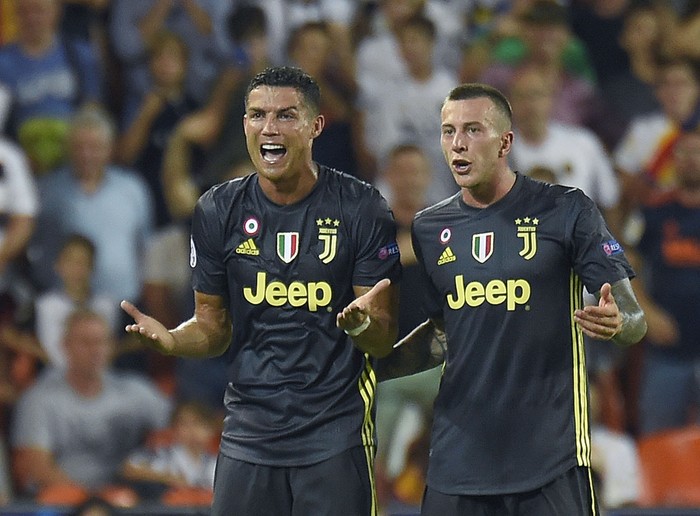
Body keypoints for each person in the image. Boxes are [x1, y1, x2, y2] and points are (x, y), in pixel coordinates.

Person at [120, 66, 401, 516]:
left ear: (315, 126)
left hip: (334, 435)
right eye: (257, 115)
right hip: (248, 435)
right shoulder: (217, 209)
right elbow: (213, 326)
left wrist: (363, 324)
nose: (269, 127)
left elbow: (384, 337)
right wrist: (174, 340)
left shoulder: (361, 206)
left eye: (286, 116)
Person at [378, 83, 647, 516]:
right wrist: (367, 365)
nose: (458, 143)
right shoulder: (430, 228)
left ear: (505, 142)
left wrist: (619, 323)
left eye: (472, 129)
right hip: (456, 463)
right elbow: (443, 335)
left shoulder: (567, 210)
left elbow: (633, 317)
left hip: (549, 460)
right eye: (448, 131)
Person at [11, 308, 171, 498]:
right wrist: (94, 501)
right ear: (65, 346)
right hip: (66, 504)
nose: (95, 350)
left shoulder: (136, 392)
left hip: (130, 499)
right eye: (86, 343)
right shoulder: (39, 399)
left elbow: (183, 430)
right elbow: (38, 469)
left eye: (101, 342)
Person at [121, 400, 218, 497]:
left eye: (199, 424)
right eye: (185, 424)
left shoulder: (217, 462)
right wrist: (166, 477)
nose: (192, 430)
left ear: (211, 429)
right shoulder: (162, 453)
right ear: (175, 429)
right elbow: (128, 468)